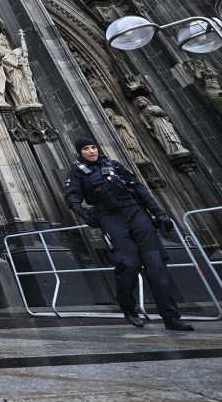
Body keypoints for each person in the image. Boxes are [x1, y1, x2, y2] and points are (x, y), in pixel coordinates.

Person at [64, 137, 193, 331]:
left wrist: (159, 213)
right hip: (110, 217)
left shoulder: (114, 165)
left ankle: (171, 317)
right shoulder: (76, 172)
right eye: (86, 149)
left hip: (136, 213)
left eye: (93, 147)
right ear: (79, 152)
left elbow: (140, 190)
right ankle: (128, 308)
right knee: (128, 264)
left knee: (156, 265)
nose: (91, 151)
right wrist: (84, 214)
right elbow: (71, 196)